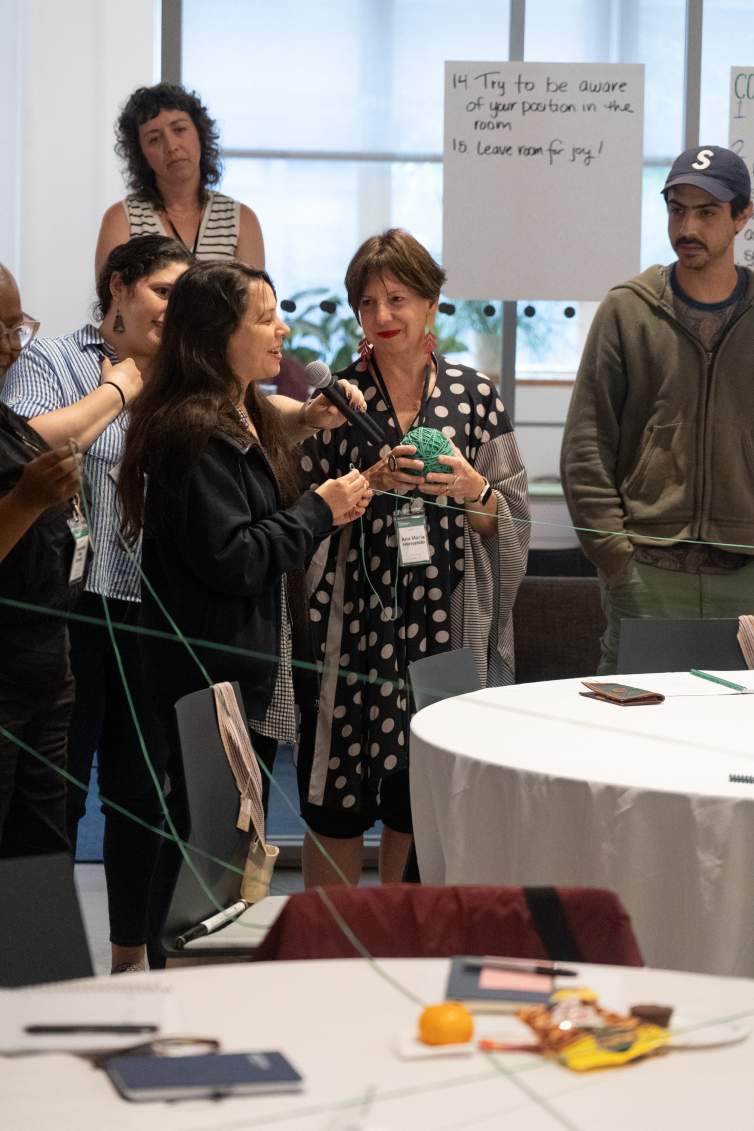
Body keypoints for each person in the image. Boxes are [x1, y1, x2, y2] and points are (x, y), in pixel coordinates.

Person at [117, 260, 372, 948]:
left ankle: (199, 972)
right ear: (213, 335)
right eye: (264, 318)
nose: (282, 328)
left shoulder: (236, 409)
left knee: (228, 835)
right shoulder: (192, 429)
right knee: (207, 835)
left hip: (231, 664)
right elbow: (234, 555)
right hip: (208, 672)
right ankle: (175, 979)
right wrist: (320, 511)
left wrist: (312, 427)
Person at [297, 229, 530, 888]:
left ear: (432, 303)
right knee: (335, 803)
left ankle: (407, 939)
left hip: (442, 623)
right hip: (352, 627)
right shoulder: (335, 402)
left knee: (421, 801)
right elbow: (300, 521)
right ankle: (334, 952)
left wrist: (469, 488)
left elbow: (507, 518)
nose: (383, 317)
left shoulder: (473, 397)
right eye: (367, 303)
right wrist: (370, 479)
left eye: (398, 298)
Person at [2, 235, 194, 973]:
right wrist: (118, 391)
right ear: (118, 287)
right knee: (55, 801)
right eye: (163, 291)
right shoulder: (55, 360)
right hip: (69, 611)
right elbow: (21, 443)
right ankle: (36, 971)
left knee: (142, 797)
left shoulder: (181, 379)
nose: (173, 310)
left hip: (149, 609)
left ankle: (130, 967)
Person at [561, 145, 754, 674]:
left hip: (748, 580)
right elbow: (586, 446)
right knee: (632, 739)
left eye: (707, 212)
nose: (687, 226)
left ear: (743, 215)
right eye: (677, 209)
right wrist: (616, 559)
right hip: (647, 573)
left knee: (740, 743)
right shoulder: (628, 309)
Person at [0, 263, 83, 857]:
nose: (10, 348)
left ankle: (37, 953)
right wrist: (29, 498)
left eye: (16, 328)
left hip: (46, 658)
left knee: (42, 851)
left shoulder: (7, 417)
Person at [95, 83, 264, 276]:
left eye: (179, 129)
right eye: (154, 139)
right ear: (141, 155)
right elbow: (113, 303)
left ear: (200, 134)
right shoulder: (122, 220)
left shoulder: (240, 220)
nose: (171, 146)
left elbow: (253, 304)